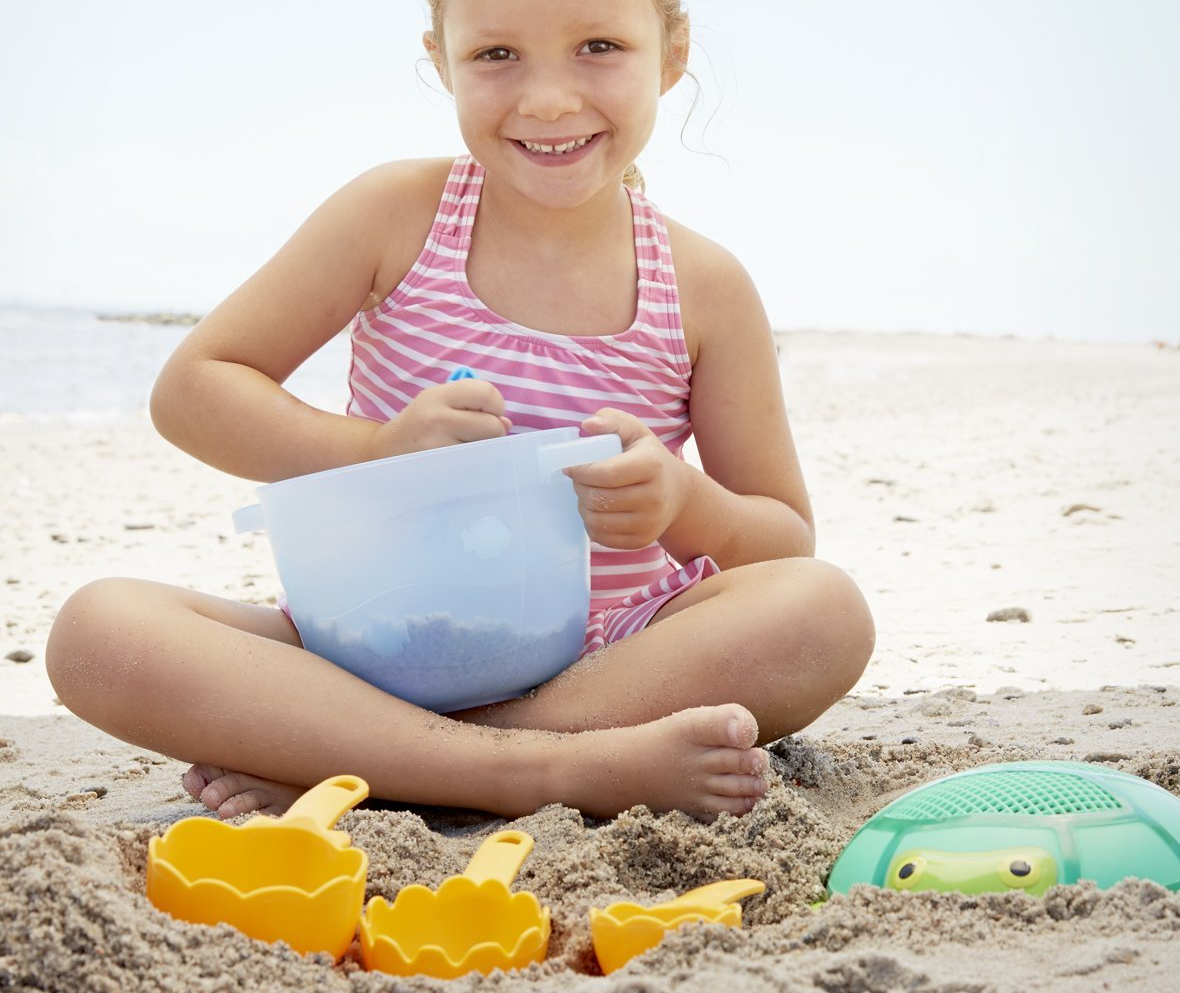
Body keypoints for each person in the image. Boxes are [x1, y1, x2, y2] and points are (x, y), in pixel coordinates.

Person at [46, 0, 874, 823]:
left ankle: (381, 762)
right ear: (442, 59)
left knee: (822, 610)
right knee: (98, 631)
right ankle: (534, 770)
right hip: (365, 649)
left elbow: (781, 537)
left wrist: (683, 504)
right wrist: (377, 450)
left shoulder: (703, 285)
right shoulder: (397, 214)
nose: (548, 99)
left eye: (598, 45)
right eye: (497, 55)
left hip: (608, 662)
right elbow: (194, 388)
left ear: (671, 52)